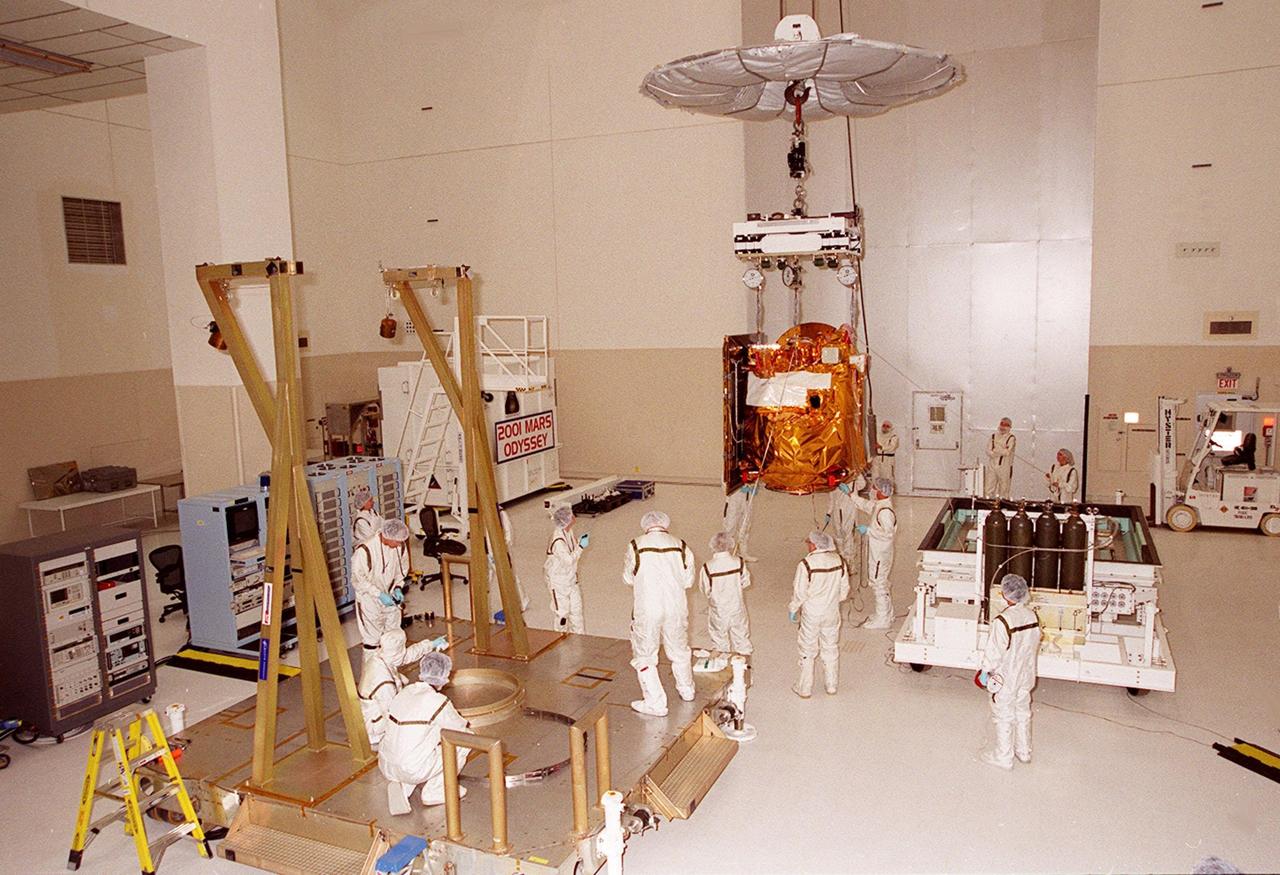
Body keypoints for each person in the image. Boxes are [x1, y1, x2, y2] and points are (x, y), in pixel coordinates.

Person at [379, 652, 471, 814]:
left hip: (386, 763)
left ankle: (404, 785)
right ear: (443, 677)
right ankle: (436, 790)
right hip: (412, 768)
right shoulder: (437, 701)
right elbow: (459, 728)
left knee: (418, 737)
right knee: (466, 740)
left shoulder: (405, 692)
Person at [623, 511, 696, 716]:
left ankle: (655, 703)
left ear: (645, 526)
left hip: (648, 608)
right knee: (679, 649)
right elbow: (688, 581)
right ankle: (687, 689)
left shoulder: (636, 545)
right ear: (665, 524)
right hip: (676, 607)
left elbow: (628, 577)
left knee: (645, 654)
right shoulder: (681, 545)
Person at [975, 574, 1041, 770]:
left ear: (1005, 595)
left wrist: (984, 672)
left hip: (1006, 676)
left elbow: (994, 652)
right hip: (1026, 674)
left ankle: (1003, 756)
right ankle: (1024, 751)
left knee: (1003, 713)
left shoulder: (1002, 621)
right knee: (1022, 711)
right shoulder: (1032, 616)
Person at [788, 531, 849, 697]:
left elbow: (799, 592)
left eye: (808, 542)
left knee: (807, 649)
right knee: (830, 646)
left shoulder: (806, 564)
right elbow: (844, 591)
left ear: (814, 544)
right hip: (832, 612)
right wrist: (832, 600)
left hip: (812, 614)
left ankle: (805, 688)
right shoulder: (839, 561)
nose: (807, 544)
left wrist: (794, 608)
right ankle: (831, 685)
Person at [358, 627, 437, 747]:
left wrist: (430, 644)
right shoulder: (383, 682)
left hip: (379, 710)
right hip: (376, 723)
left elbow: (406, 656)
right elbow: (392, 712)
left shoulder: (380, 656)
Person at [352, 518, 411, 651]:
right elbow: (358, 580)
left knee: (393, 637)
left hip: (390, 595)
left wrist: (397, 587)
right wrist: (378, 594)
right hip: (369, 598)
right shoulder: (365, 550)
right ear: (387, 536)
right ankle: (372, 670)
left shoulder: (399, 547)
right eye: (397, 542)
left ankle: (391, 669)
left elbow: (402, 569)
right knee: (372, 640)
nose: (399, 545)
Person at [850, 476, 897, 629]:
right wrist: (851, 496)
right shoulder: (880, 505)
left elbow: (888, 534)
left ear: (882, 492)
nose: (872, 490)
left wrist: (869, 531)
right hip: (879, 552)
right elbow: (867, 505)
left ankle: (882, 620)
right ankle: (887, 614)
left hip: (880, 554)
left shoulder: (885, 512)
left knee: (878, 583)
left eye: (874, 488)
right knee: (881, 582)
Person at [698, 532, 752, 657]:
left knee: (719, 639)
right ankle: (744, 665)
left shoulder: (708, 567)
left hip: (718, 610)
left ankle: (723, 663)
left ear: (712, 546)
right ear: (730, 545)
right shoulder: (739, 562)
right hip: (737, 606)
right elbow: (746, 582)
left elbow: (705, 589)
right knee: (741, 636)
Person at [544, 506, 587, 633]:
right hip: (558, 582)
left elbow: (573, 550)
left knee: (576, 612)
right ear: (566, 520)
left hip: (571, 580)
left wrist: (579, 542)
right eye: (571, 515)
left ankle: (580, 638)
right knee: (562, 614)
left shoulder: (568, 531)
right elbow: (568, 560)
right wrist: (581, 546)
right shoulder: (558, 541)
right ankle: (559, 638)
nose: (574, 517)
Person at [486, 506, 530, 619]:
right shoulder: (482, 512)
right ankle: (484, 606)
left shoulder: (501, 513)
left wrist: (501, 550)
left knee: (510, 577)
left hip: (499, 552)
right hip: (487, 551)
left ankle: (520, 603)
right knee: (485, 579)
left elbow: (509, 535)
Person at [825, 480, 859, 567]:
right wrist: (828, 513)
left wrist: (852, 490)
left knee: (848, 534)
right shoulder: (834, 476)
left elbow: (862, 484)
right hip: (837, 510)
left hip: (849, 507)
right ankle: (841, 559)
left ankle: (849, 562)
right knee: (838, 534)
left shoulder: (853, 473)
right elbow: (831, 498)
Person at [722, 483, 758, 562]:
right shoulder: (728, 470)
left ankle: (743, 553)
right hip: (733, 499)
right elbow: (725, 485)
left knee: (745, 525)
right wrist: (738, 488)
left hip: (746, 498)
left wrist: (751, 487)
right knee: (730, 527)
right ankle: (726, 553)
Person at [985, 417, 1016, 500]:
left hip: (1005, 466)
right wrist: (1000, 450)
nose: (1003, 427)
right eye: (1001, 424)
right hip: (992, 464)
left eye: (1005, 425)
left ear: (1009, 427)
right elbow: (988, 450)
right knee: (989, 485)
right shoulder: (993, 436)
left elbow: (1007, 452)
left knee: (1004, 488)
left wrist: (996, 449)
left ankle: (1003, 505)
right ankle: (988, 503)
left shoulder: (1011, 438)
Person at [874, 420, 900, 485]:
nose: (885, 427)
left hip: (888, 460)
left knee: (888, 477)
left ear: (891, 428)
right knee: (876, 476)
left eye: (887, 426)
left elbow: (892, 447)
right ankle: (877, 493)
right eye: (884, 425)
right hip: (877, 458)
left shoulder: (894, 437)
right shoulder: (877, 435)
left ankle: (888, 493)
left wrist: (881, 447)